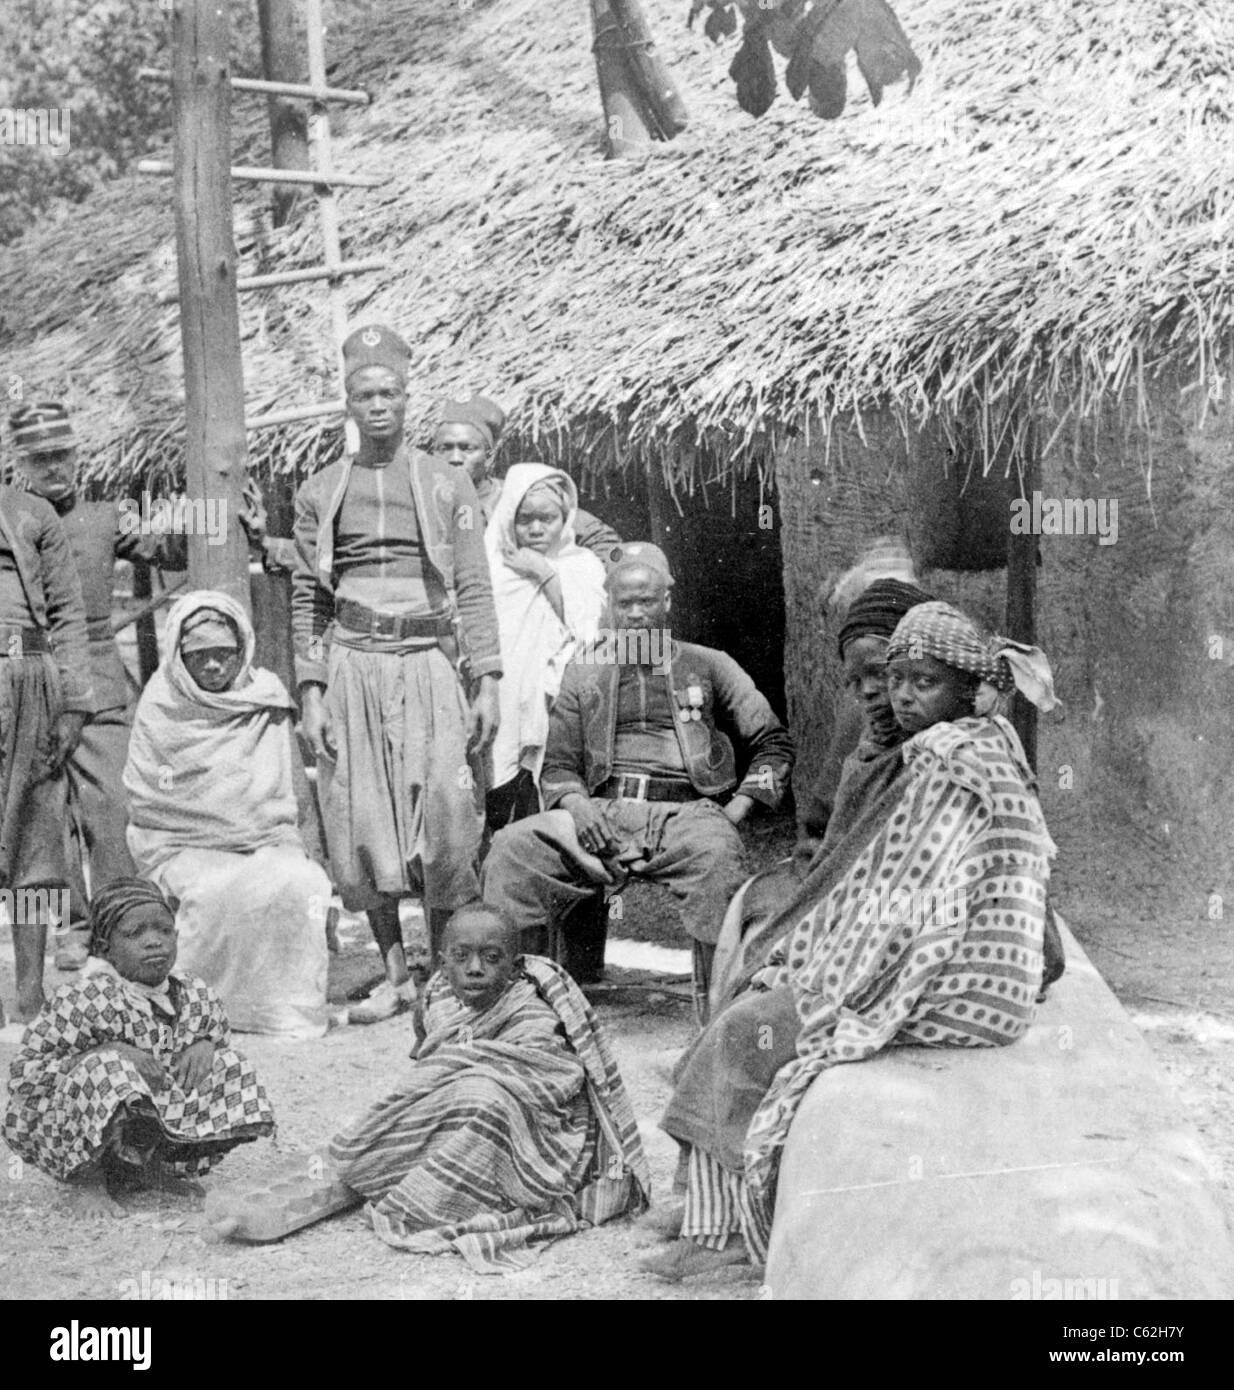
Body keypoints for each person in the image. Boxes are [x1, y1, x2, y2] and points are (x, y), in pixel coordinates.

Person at [644, 600, 1060, 1280]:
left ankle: (724, 1241)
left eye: (922, 681)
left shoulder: (956, 764)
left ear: (969, 689)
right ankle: (701, 1203)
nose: (899, 694)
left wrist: (833, 974)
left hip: (959, 982)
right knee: (766, 983)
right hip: (961, 967)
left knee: (753, 1027)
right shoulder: (966, 746)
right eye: (897, 677)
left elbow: (912, 906)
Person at [292, 325, 502, 1024]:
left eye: (390, 393)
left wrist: (489, 681)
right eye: (364, 395)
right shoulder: (322, 491)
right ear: (347, 403)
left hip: (429, 663)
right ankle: (393, 976)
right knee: (361, 822)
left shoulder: (447, 483)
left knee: (446, 814)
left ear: (408, 399)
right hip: (353, 664)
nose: (378, 405)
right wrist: (312, 692)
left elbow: (473, 586)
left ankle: (444, 977)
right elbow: (310, 598)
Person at [481, 545, 794, 1010]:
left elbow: (773, 742)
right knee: (511, 852)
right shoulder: (584, 671)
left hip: (685, 815)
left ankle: (719, 1012)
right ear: (609, 605)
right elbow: (559, 766)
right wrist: (577, 805)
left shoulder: (709, 664)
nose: (634, 615)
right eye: (623, 604)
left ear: (667, 601)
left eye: (645, 602)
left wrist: (738, 808)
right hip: (601, 813)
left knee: (717, 861)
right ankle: (520, 1007)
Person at [328, 903, 649, 1273]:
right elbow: (427, 1071)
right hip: (467, 1107)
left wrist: (476, 1076)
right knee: (461, 1098)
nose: (475, 968)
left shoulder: (531, 1013)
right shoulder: (437, 1000)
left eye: (491, 957)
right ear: (443, 962)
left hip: (539, 1135)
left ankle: (459, 1197)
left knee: (485, 1100)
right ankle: (433, 1167)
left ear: (513, 968)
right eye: (461, 957)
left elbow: (557, 1080)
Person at [9, 402, 188, 971]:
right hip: (30, 685)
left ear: (79, 454)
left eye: (63, 455)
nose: (55, 468)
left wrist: (198, 521)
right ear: (19, 463)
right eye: (41, 459)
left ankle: (116, 923)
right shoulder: (12, 518)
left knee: (111, 813)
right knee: (44, 828)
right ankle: (73, 927)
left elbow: (173, 553)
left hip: (102, 685)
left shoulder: (106, 516)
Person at [708, 577, 936, 1003]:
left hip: (905, 907)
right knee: (758, 922)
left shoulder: (952, 746)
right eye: (854, 680)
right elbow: (821, 828)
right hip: (835, 883)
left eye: (880, 673)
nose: (867, 691)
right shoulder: (864, 731)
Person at [123, 590, 332, 1038]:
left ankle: (286, 1010)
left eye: (225, 654)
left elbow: (292, 786)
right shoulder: (162, 704)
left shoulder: (265, 697)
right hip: (182, 843)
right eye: (200, 656)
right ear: (178, 654)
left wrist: (302, 846)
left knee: (301, 882)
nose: (214, 666)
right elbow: (146, 798)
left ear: (243, 650)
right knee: (213, 890)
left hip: (264, 837)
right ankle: (200, 1011)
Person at [3, 879, 275, 1218]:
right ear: (104, 948)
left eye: (163, 930)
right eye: (135, 934)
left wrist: (205, 1044)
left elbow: (215, 1032)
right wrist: (112, 1050)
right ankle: (87, 1180)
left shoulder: (192, 991)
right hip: (69, 1118)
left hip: (153, 1104)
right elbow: (29, 1075)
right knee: (107, 1070)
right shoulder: (85, 998)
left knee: (229, 1064)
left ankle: (149, 1168)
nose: (153, 941)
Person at [0, 461, 93, 1027]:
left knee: (34, 845)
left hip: (28, 678)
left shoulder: (34, 513)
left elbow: (68, 613)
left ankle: (30, 993)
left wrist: (74, 703)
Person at [483, 462, 607, 830]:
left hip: (557, 701)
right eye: (525, 519)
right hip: (503, 696)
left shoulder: (583, 565)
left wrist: (544, 572)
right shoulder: (493, 568)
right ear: (509, 518)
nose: (536, 529)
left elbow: (590, 631)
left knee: (554, 781)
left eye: (547, 519)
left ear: (565, 518)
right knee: (501, 785)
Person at [433, 396, 622, 563]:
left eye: (467, 448)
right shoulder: (422, 499)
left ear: (489, 456)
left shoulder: (519, 495)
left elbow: (604, 542)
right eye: (445, 448)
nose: (455, 458)